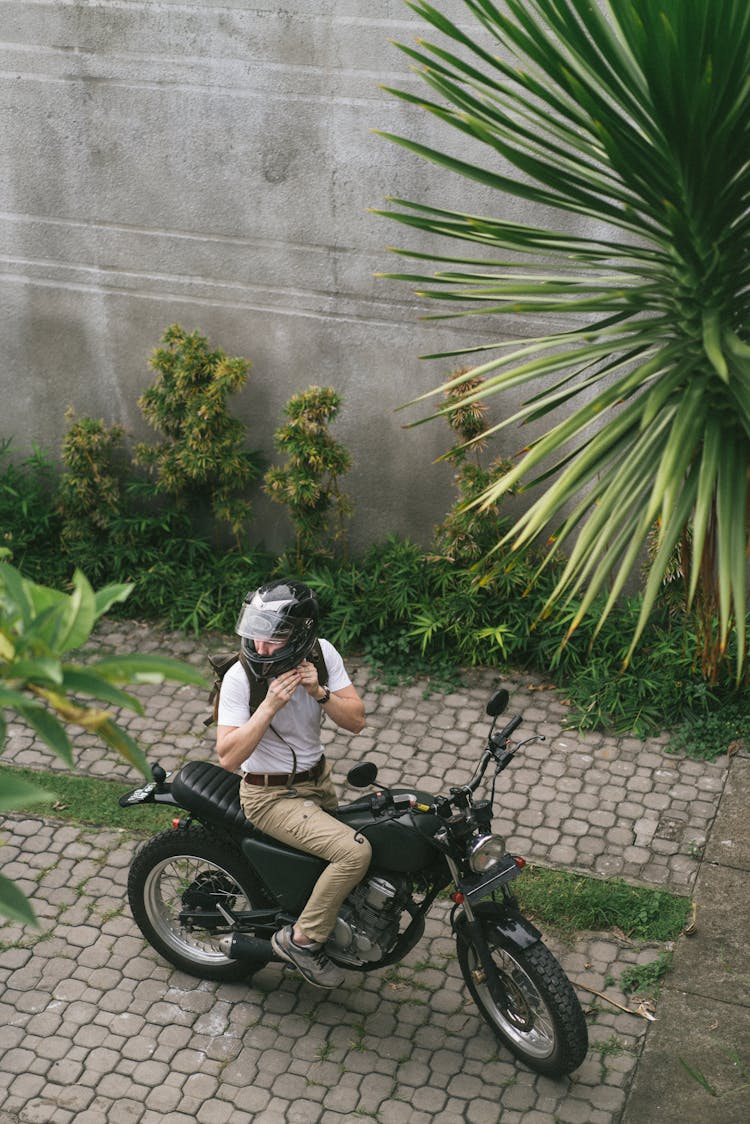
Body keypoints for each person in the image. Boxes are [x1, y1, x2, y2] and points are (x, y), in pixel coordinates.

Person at [215, 579, 370, 989]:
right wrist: (268, 707)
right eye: (255, 635)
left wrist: (319, 692)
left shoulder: (323, 654)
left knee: (337, 862)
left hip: (319, 782)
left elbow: (356, 720)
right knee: (354, 855)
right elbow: (228, 756)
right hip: (268, 795)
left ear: (302, 635)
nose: (260, 648)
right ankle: (300, 942)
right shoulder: (239, 678)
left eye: (273, 639)